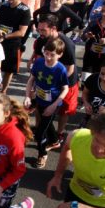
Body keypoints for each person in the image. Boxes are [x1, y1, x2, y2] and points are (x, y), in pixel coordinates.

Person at [24, 38, 69, 169]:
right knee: (47, 124)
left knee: (39, 133)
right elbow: (31, 80)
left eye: (52, 55)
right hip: (39, 99)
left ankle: (42, 154)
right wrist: (28, 96)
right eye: (46, 53)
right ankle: (55, 141)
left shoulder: (60, 70)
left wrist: (54, 105)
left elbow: (65, 89)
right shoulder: (39, 62)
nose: (48, 57)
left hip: (53, 104)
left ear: (60, 55)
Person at [0, 0, 32, 92]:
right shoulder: (4, 6)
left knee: (8, 70)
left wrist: (5, 36)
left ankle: (3, 91)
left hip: (13, 45)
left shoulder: (25, 10)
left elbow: (22, 32)